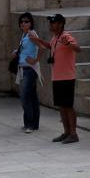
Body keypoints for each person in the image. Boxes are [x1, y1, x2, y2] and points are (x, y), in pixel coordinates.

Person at [35, 14, 81, 144]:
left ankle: (73, 134)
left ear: (60, 24)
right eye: (50, 23)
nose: (51, 25)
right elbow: (51, 46)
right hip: (57, 77)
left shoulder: (66, 36)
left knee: (68, 106)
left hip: (67, 77)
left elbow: (78, 49)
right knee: (61, 106)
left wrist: (69, 44)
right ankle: (66, 132)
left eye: (53, 23)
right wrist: (38, 40)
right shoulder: (55, 38)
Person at [12, 12, 41, 133]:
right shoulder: (24, 34)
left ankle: (29, 124)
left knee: (25, 98)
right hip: (24, 68)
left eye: (26, 21)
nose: (24, 23)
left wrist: (35, 60)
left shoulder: (31, 34)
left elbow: (42, 47)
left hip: (29, 69)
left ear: (31, 23)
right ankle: (33, 123)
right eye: (22, 21)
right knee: (32, 97)